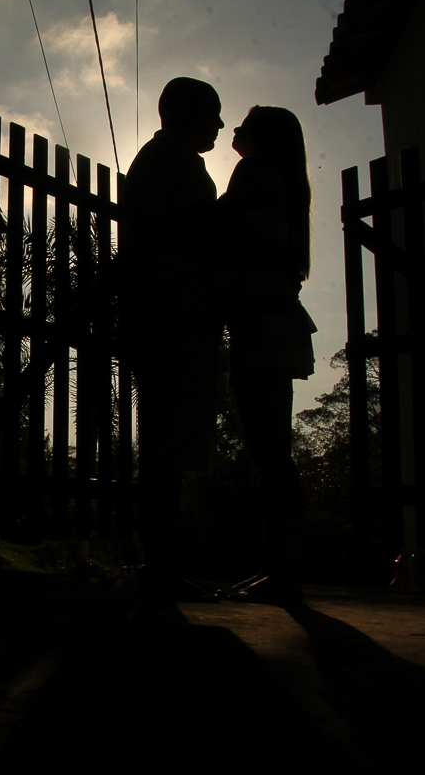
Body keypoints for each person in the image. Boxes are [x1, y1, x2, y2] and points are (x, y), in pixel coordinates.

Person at [118, 77, 227, 602]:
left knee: (165, 442)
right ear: (188, 115)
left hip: (162, 314)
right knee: (167, 444)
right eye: (213, 114)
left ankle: (160, 563)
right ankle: (160, 566)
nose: (221, 125)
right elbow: (197, 232)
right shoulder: (175, 162)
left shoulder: (163, 159)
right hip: (172, 315)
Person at [215, 106, 318, 606]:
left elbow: (218, 224)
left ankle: (283, 574)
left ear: (263, 137)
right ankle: (283, 570)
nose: (233, 130)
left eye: (244, 125)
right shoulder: (288, 185)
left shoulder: (255, 172)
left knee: (270, 453)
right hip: (280, 321)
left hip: (260, 324)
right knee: (275, 452)